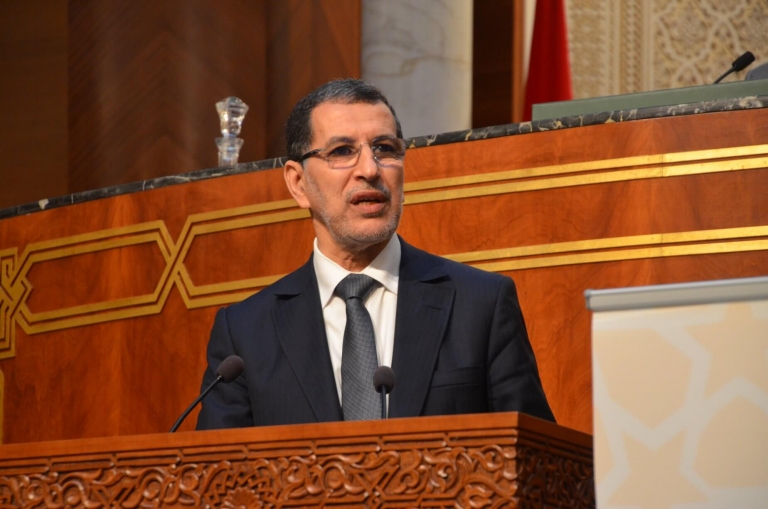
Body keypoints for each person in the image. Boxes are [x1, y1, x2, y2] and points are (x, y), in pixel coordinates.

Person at [196, 79, 554, 429]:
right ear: (298, 183)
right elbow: (217, 466)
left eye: (384, 148)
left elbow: (536, 456)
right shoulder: (245, 334)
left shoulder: (480, 305)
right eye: (342, 151)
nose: (370, 169)